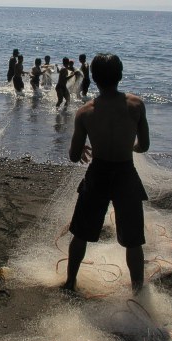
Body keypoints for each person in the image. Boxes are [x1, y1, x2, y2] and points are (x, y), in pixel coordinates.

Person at [62, 53, 150, 295]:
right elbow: (144, 145)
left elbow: (73, 155)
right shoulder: (136, 105)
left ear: (93, 78)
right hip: (125, 173)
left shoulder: (85, 112)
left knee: (81, 232)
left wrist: (82, 150)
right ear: (120, 75)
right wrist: (130, 147)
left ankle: (70, 281)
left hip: (98, 172)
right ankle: (137, 289)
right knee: (133, 238)